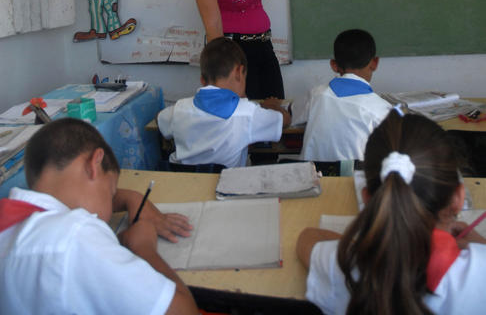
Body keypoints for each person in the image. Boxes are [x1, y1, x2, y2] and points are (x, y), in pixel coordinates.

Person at [0, 118, 198, 315]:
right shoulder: (73, 235)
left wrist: (131, 197)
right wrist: (144, 247)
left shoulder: (14, 220)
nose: (110, 209)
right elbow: (183, 311)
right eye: (111, 192)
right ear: (94, 163)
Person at [297, 109, 486, 315]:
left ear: (368, 199)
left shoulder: (344, 265)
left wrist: (379, 244)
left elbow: (307, 239)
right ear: (458, 199)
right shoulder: (480, 270)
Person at [158, 37, 291, 168]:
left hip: (183, 183)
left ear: (203, 80)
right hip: (225, 185)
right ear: (239, 72)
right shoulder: (246, 112)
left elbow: (159, 119)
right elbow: (285, 120)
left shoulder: (180, 108)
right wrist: (271, 105)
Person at [295, 29, 390, 162]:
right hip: (354, 181)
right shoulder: (382, 109)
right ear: (374, 63)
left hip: (313, 179)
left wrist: (276, 106)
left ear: (334, 65)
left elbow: (289, 116)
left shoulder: (316, 94)